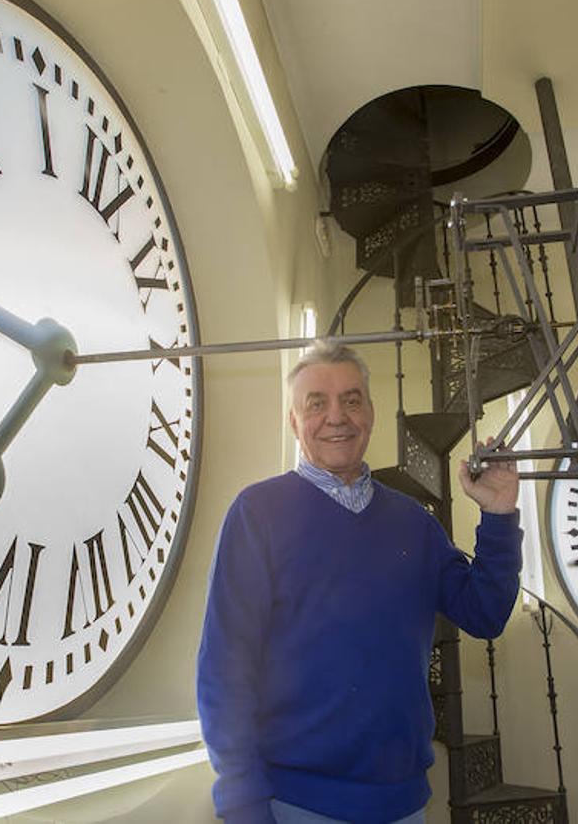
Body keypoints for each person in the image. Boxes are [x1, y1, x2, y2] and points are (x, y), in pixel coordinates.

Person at [196, 340, 522, 824]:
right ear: (293, 421)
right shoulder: (257, 513)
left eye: (352, 399)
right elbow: (224, 669)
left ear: (370, 412)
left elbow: (486, 613)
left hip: (406, 805)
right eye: (316, 403)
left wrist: (499, 515)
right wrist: (242, 804)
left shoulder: (414, 521)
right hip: (294, 806)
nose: (337, 417)